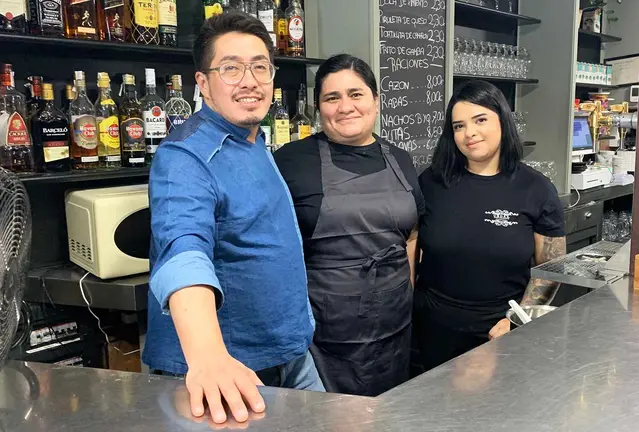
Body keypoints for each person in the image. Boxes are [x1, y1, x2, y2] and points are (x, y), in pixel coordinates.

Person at [142, 13, 324, 425]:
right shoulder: (184, 157)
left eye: (260, 66)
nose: (250, 80)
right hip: (227, 374)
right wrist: (209, 358)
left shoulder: (254, 140)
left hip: (289, 356)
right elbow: (183, 251)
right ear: (202, 83)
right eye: (231, 68)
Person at [273, 54, 424, 396]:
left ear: (375, 101)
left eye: (356, 94)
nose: (345, 107)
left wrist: (406, 288)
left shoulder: (400, 158)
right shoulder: (290, 161)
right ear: (317, 107)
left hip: (395, 326)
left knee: (390, 414)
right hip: (327, 336)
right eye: (332, 97)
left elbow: (412, 233)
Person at [412, 80, 566, 372]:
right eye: (458, 126)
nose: (469, 133)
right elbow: (412, 248)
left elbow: (552, 269)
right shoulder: (431, 183)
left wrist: (517, 322)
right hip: (432, 330)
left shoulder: (536, 189)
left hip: (501, 331)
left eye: (480, 120)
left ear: (503, 121)